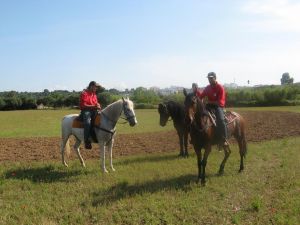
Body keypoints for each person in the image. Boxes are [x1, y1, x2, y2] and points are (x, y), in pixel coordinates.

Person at [199, 72, 228, 146]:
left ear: (215, 78)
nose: (209, 79)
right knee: (200, 116)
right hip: (209, 106)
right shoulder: (208, 87)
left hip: (218, 107)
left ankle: (224, 139)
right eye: (208, 78)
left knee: (221, 120)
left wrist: (209, 102)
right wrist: (197, 99)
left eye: (211, 78)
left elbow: (220, 102)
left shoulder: (220, 87)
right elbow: (201, 96)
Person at [80, 81, 101, 149]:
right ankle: (86, 141)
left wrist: (98, 105)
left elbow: (96, 103)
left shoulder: (94, 94)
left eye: (97, 87)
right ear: (91, 86)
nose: (96, 88)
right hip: (86, 111)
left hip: (94, 110)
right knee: (87, 123)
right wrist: (94, 106)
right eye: (95, 87)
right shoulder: (84, 93)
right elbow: (84, 105)